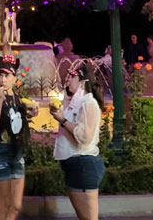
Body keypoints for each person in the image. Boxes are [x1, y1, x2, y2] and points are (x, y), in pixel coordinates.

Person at [0, 54, 35, 220]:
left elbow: (17, 124)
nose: (2, 79)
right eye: (0, 75)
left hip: (17, 154)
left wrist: (32, 114)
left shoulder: (18, 98)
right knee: (3, 206)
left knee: (16, 205)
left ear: (14, 78)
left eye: (6, 75)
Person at [51, 62, 104, 220]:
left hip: (84, 164)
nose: (68, 80)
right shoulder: (78, 102)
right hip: (77, 166)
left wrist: (61, 120)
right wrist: (64, 106)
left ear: (82, 82)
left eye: (72, 77)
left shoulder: (89, 103)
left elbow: (84, 136)